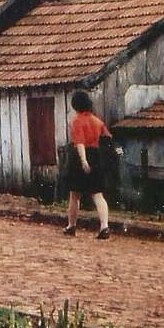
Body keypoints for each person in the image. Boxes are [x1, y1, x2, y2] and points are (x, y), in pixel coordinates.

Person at [63, 90, 111, 240]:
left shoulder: (77, 121)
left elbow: (80, 142)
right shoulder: (98, 121)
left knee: (74, 195)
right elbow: (108, 138)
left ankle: (71, 226)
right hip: (96, 155)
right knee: (98, 194)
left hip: (79, 157)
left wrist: (83, 160)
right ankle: (104, 226)